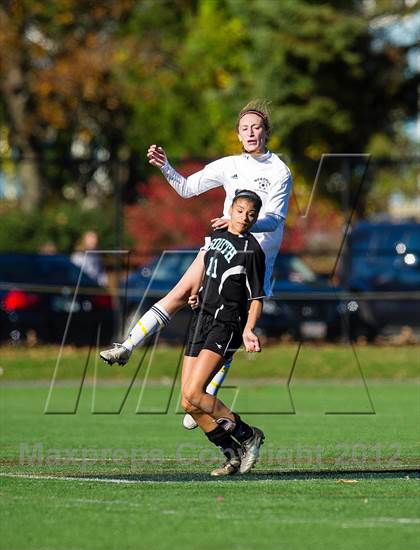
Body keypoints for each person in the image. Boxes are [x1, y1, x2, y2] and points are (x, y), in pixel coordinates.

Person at [100, 100, 292, 425]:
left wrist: (240, 224)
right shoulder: (230, 164)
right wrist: (165, 166)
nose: (250, 133)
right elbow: (188, 189)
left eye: (256, 127)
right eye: (244, 128)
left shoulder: (279, 171)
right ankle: (129, 345)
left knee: (231, 324)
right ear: (238, 134)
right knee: (178, 294)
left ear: (266, 132)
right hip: (221, 244)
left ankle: (206, 395)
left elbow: (273, 219)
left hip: (253, 258)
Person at [181, 190, 266, 476]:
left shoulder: (253, 250)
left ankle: (248, 435)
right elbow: (208, 268)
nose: (245, 217)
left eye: (251, 214)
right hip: (200, 319)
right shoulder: (216, 235)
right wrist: (197, 292)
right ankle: (231, 455)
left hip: (226, 324)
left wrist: (248, 329)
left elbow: (256, 297)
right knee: (187, 402)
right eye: (240, 210)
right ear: (231, 209)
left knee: (196, 392)